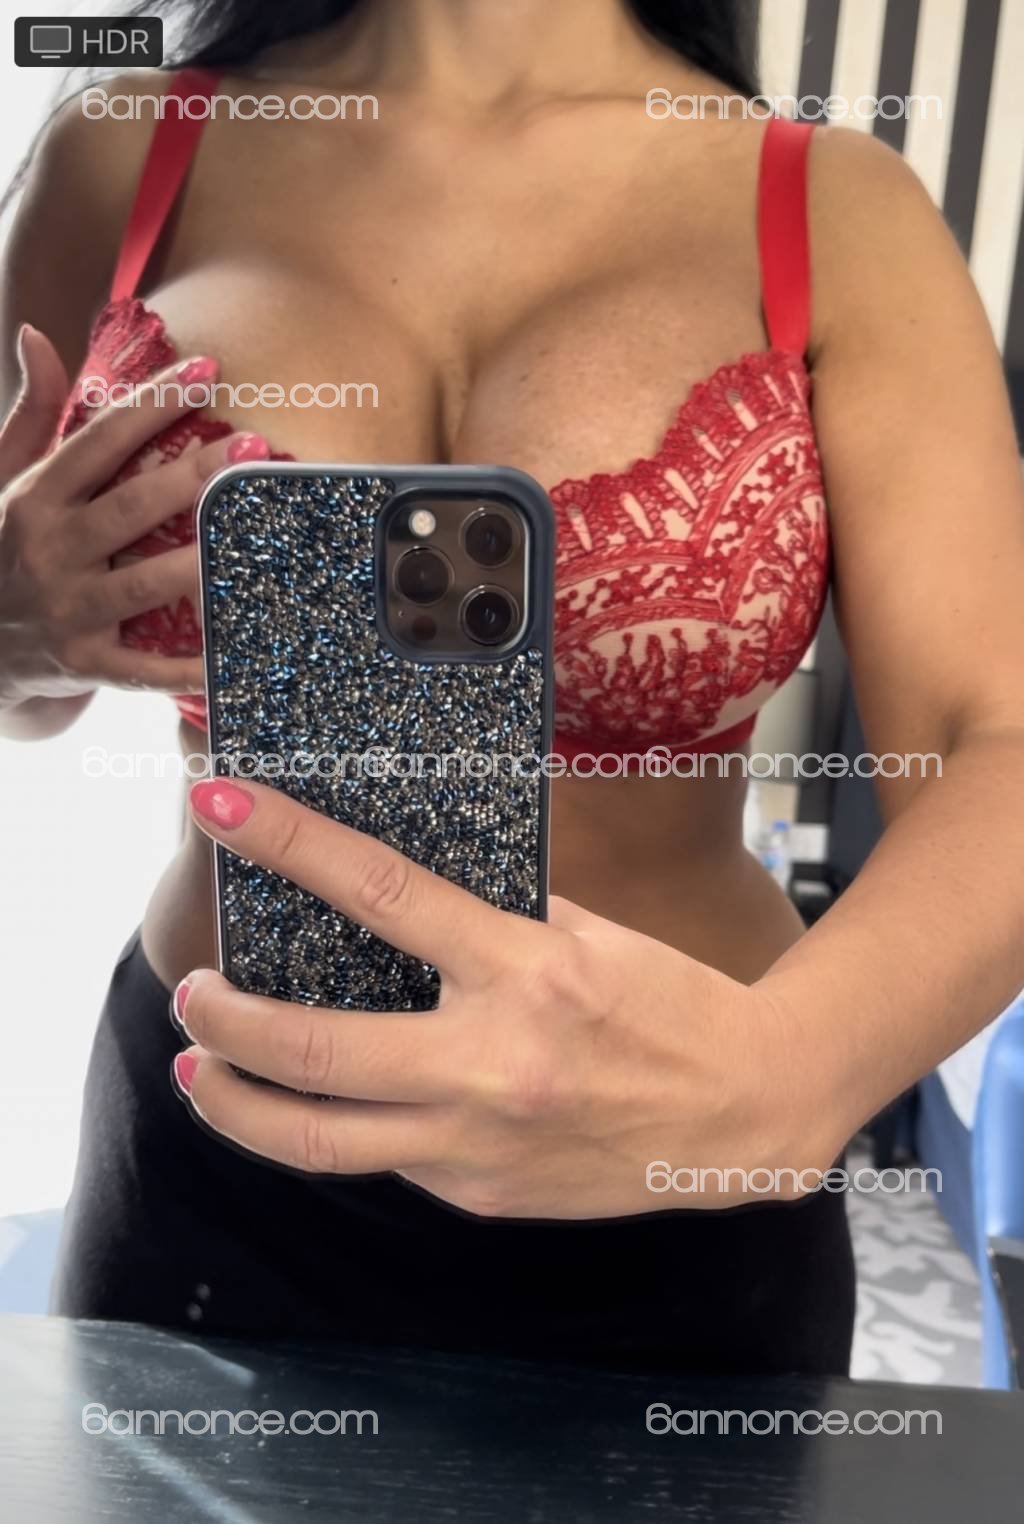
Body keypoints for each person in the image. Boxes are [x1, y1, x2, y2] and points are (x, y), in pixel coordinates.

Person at [2, 0, 1023, 1376]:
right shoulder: (122, 153)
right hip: (211, 1140)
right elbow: (26, 694)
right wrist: (10, 627)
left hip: (675, 1170)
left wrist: (791, 1073)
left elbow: (993, 739)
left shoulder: (834, 208)